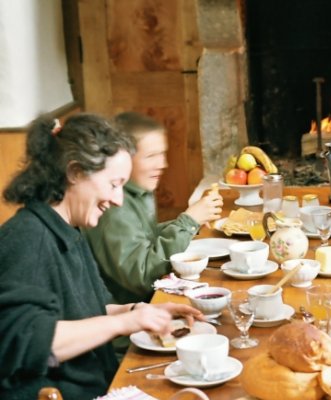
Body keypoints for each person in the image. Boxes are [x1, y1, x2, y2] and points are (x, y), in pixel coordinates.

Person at [0, 114, 203, 400]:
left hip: (104, 384)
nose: (119, 199)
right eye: (113, 184)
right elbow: (31, 344)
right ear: (75, 173)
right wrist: (123, 324)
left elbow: (80, 312)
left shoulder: (67, 229)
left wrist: (137, 312)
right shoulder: (27, 241)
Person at [83, 112, 223, 305]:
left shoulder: (138, 191)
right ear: (123, 158)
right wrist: (187, 222)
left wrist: (190, 222)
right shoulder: (114, 207)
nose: (163, 164)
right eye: (151, 156)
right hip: (133, 313)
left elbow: (145, 237)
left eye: (162, 154)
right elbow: (143, 276)